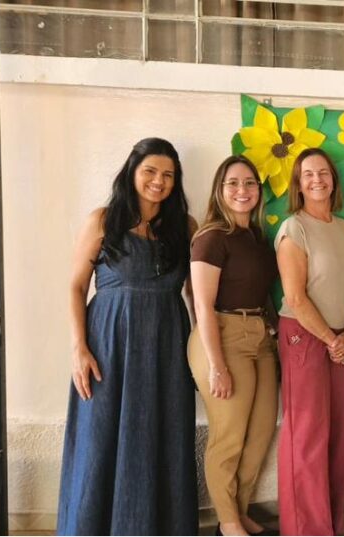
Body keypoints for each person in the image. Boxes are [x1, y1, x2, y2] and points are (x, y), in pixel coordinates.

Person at [58, 138, 198, 535]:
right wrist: (79, 348)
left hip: (167, 344)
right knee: (99, 436)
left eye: (168, 175)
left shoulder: (185, 227)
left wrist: (204, 349)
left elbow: (196, 293)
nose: (159, 181)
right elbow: (75, 286)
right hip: (108, 345)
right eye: (150, 171)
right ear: (132, 172)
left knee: (163, 433)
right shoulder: (103, 221)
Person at [188, 155, 279, 536]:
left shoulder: (258, 238)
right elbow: (202, 305)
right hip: (222, 337)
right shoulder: (211, 238)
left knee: (259, 434)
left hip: (259, 338)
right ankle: (227, 523)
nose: (243, 190)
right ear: (219, 190)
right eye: (233, 183)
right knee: (229, 437)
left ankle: (239, 511)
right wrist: (217, 365)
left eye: (250, 183)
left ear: (259, 191)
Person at [274, 147, 344, 536]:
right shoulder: (294, 229)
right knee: (307, 437)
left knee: (340, 434)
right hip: (304, 338)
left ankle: (331, 524)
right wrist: (330, 339)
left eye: (323, 172)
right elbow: (295, 298)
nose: (317, 180)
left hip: (339, 340)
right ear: (298, 184)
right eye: (308, 174)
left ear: (333, 180)